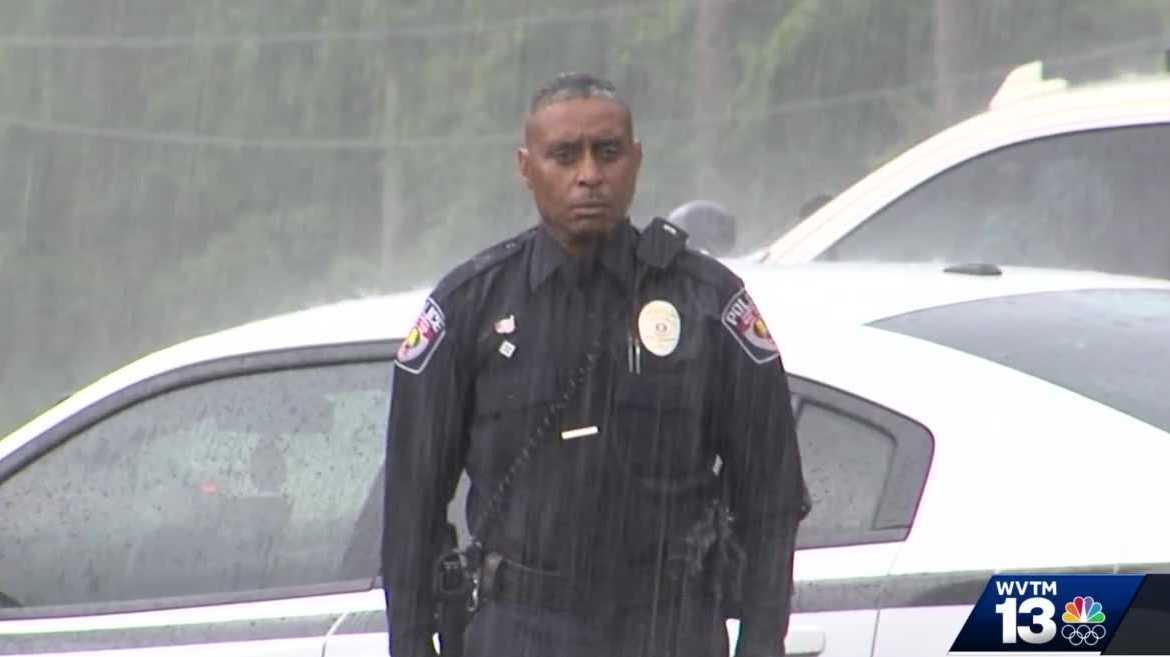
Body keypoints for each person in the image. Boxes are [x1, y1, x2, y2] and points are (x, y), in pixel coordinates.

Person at [383, 72, 808, 657]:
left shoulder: (706, 301)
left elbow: (770, 498)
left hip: (668, 628)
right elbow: (411, 505)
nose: (588, 174)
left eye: (607, 153)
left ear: (635, 160)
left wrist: (762, 644)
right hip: (523, 630)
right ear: (525, 167)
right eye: (564, 155)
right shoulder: (471, 308)